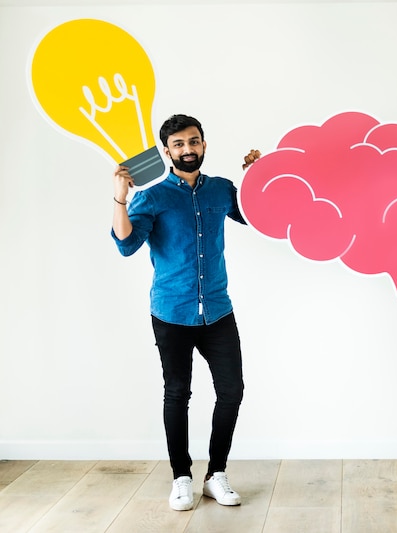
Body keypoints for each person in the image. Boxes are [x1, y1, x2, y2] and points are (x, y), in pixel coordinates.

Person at [111, 114, 261, 511]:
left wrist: (258, 176)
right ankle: (181, 477)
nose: (187, 149)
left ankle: (216, 476)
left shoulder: (222, 191)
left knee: (232, 391)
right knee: (177, 394)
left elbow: (257, 217)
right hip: (171, 312)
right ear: (167, 152)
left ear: (204, 144)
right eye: (178, 145)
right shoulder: (152, 196)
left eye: (193, 142)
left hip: (217, 310)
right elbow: (126, 245)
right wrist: (120, 198)